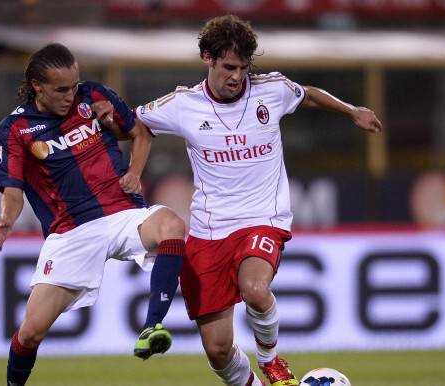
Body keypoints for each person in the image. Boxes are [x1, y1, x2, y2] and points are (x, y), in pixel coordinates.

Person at [136, 15, 383, 386]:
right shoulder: (183, 104)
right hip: (208, 230)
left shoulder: (272, 90)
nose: (237, 76)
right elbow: (137, 123)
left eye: (244, 67)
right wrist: (125, 165)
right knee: (218, 350)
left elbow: (309, 93)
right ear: (208, 58)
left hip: (262, 218)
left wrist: (352, 111)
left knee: (255, 289)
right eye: (229, 67)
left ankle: (270, 358)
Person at [0, 43, 186, 386]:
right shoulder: (17, 128)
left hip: (123, 211)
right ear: (38, 86)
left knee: (172, 225)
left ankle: (152, 326)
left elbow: (139, 132)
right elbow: (13, 189)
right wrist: (7, 218)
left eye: (74, 85)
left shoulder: (94, 95)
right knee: (31, 333)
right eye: (61, 89)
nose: (71, 95)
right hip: (71, 232)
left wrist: (135, 172)